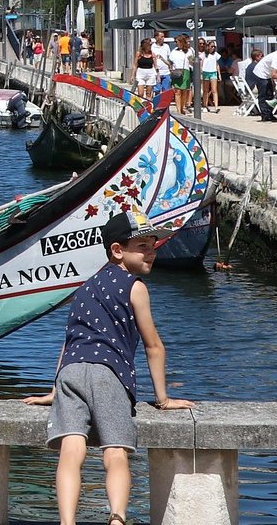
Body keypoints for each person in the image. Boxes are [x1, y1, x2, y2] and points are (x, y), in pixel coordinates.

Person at [22, 210, 193, 525]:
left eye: (153, 245)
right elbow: (154, 346)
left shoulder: (85, 286)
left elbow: (69, 340)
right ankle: (116, 518)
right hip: (109, 373)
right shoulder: (135, 287)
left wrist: (53, 390)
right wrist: (163, 399)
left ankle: (67, 521)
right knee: (115, 453)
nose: (152, 252)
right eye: (143, 246)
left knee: (71, 451)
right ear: (118, 250)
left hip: (70, 372)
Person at [249, 43, 277, 122]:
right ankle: (264, 115)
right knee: (263, 95)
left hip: (267, 75)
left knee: (270, 95)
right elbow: (274, 74)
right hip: (260, 74)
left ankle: (269, 114)